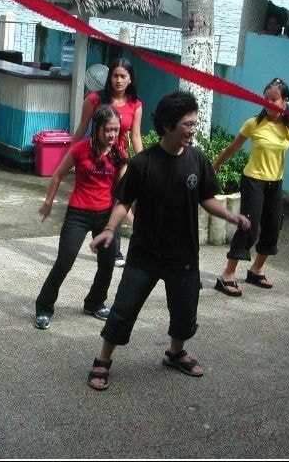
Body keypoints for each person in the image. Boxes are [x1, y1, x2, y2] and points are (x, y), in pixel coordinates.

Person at [86, 91, 251, 390]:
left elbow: (207, 197)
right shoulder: (143, 162)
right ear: (167, 125)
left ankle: (175, 353)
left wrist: (230, 216)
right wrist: (110, 228)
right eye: (188, 124)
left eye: (194, 123)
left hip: (183, 254)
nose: (193, 129)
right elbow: (124, 201)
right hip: (145, 254)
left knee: (185, 309)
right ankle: (103, 358)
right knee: (124, 309)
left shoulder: (197, 159)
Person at [34, 105, 128, 330]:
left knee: (107, 263)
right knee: (64, 262)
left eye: (116, 130)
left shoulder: (120, 155)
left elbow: (123, 191)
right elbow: (58, 175)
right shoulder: (80, 149)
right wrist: (48, 202)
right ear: (97, 128)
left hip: (106, 216)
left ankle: (95, 303)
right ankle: (44, 307)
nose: (112, 135)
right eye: (108, 129)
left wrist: (124, 216)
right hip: (78, 214)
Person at [213, 77, 289, 297]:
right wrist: (217, 163)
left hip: (275, 183)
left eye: (274, 99)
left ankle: (256, 270)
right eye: (265, 99)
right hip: (253, 181)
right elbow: (234, 147)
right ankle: (227, 274)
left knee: (273, 226)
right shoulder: (254, 123)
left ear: (285, 101)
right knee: (249, 227)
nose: (268, 103)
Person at [73, 58, 143, 268]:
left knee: (119, 200)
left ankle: (114, 249)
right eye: (115, 75)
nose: (118, 80)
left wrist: (144, 164)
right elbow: (81, 128)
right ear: (109, 77)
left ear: (130, 79)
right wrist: (72, 157)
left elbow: (136, 137)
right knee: (98, 201)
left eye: (123, 76)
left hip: (119, 161)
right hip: (95, 158)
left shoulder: (135, 104)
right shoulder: (95, 99)